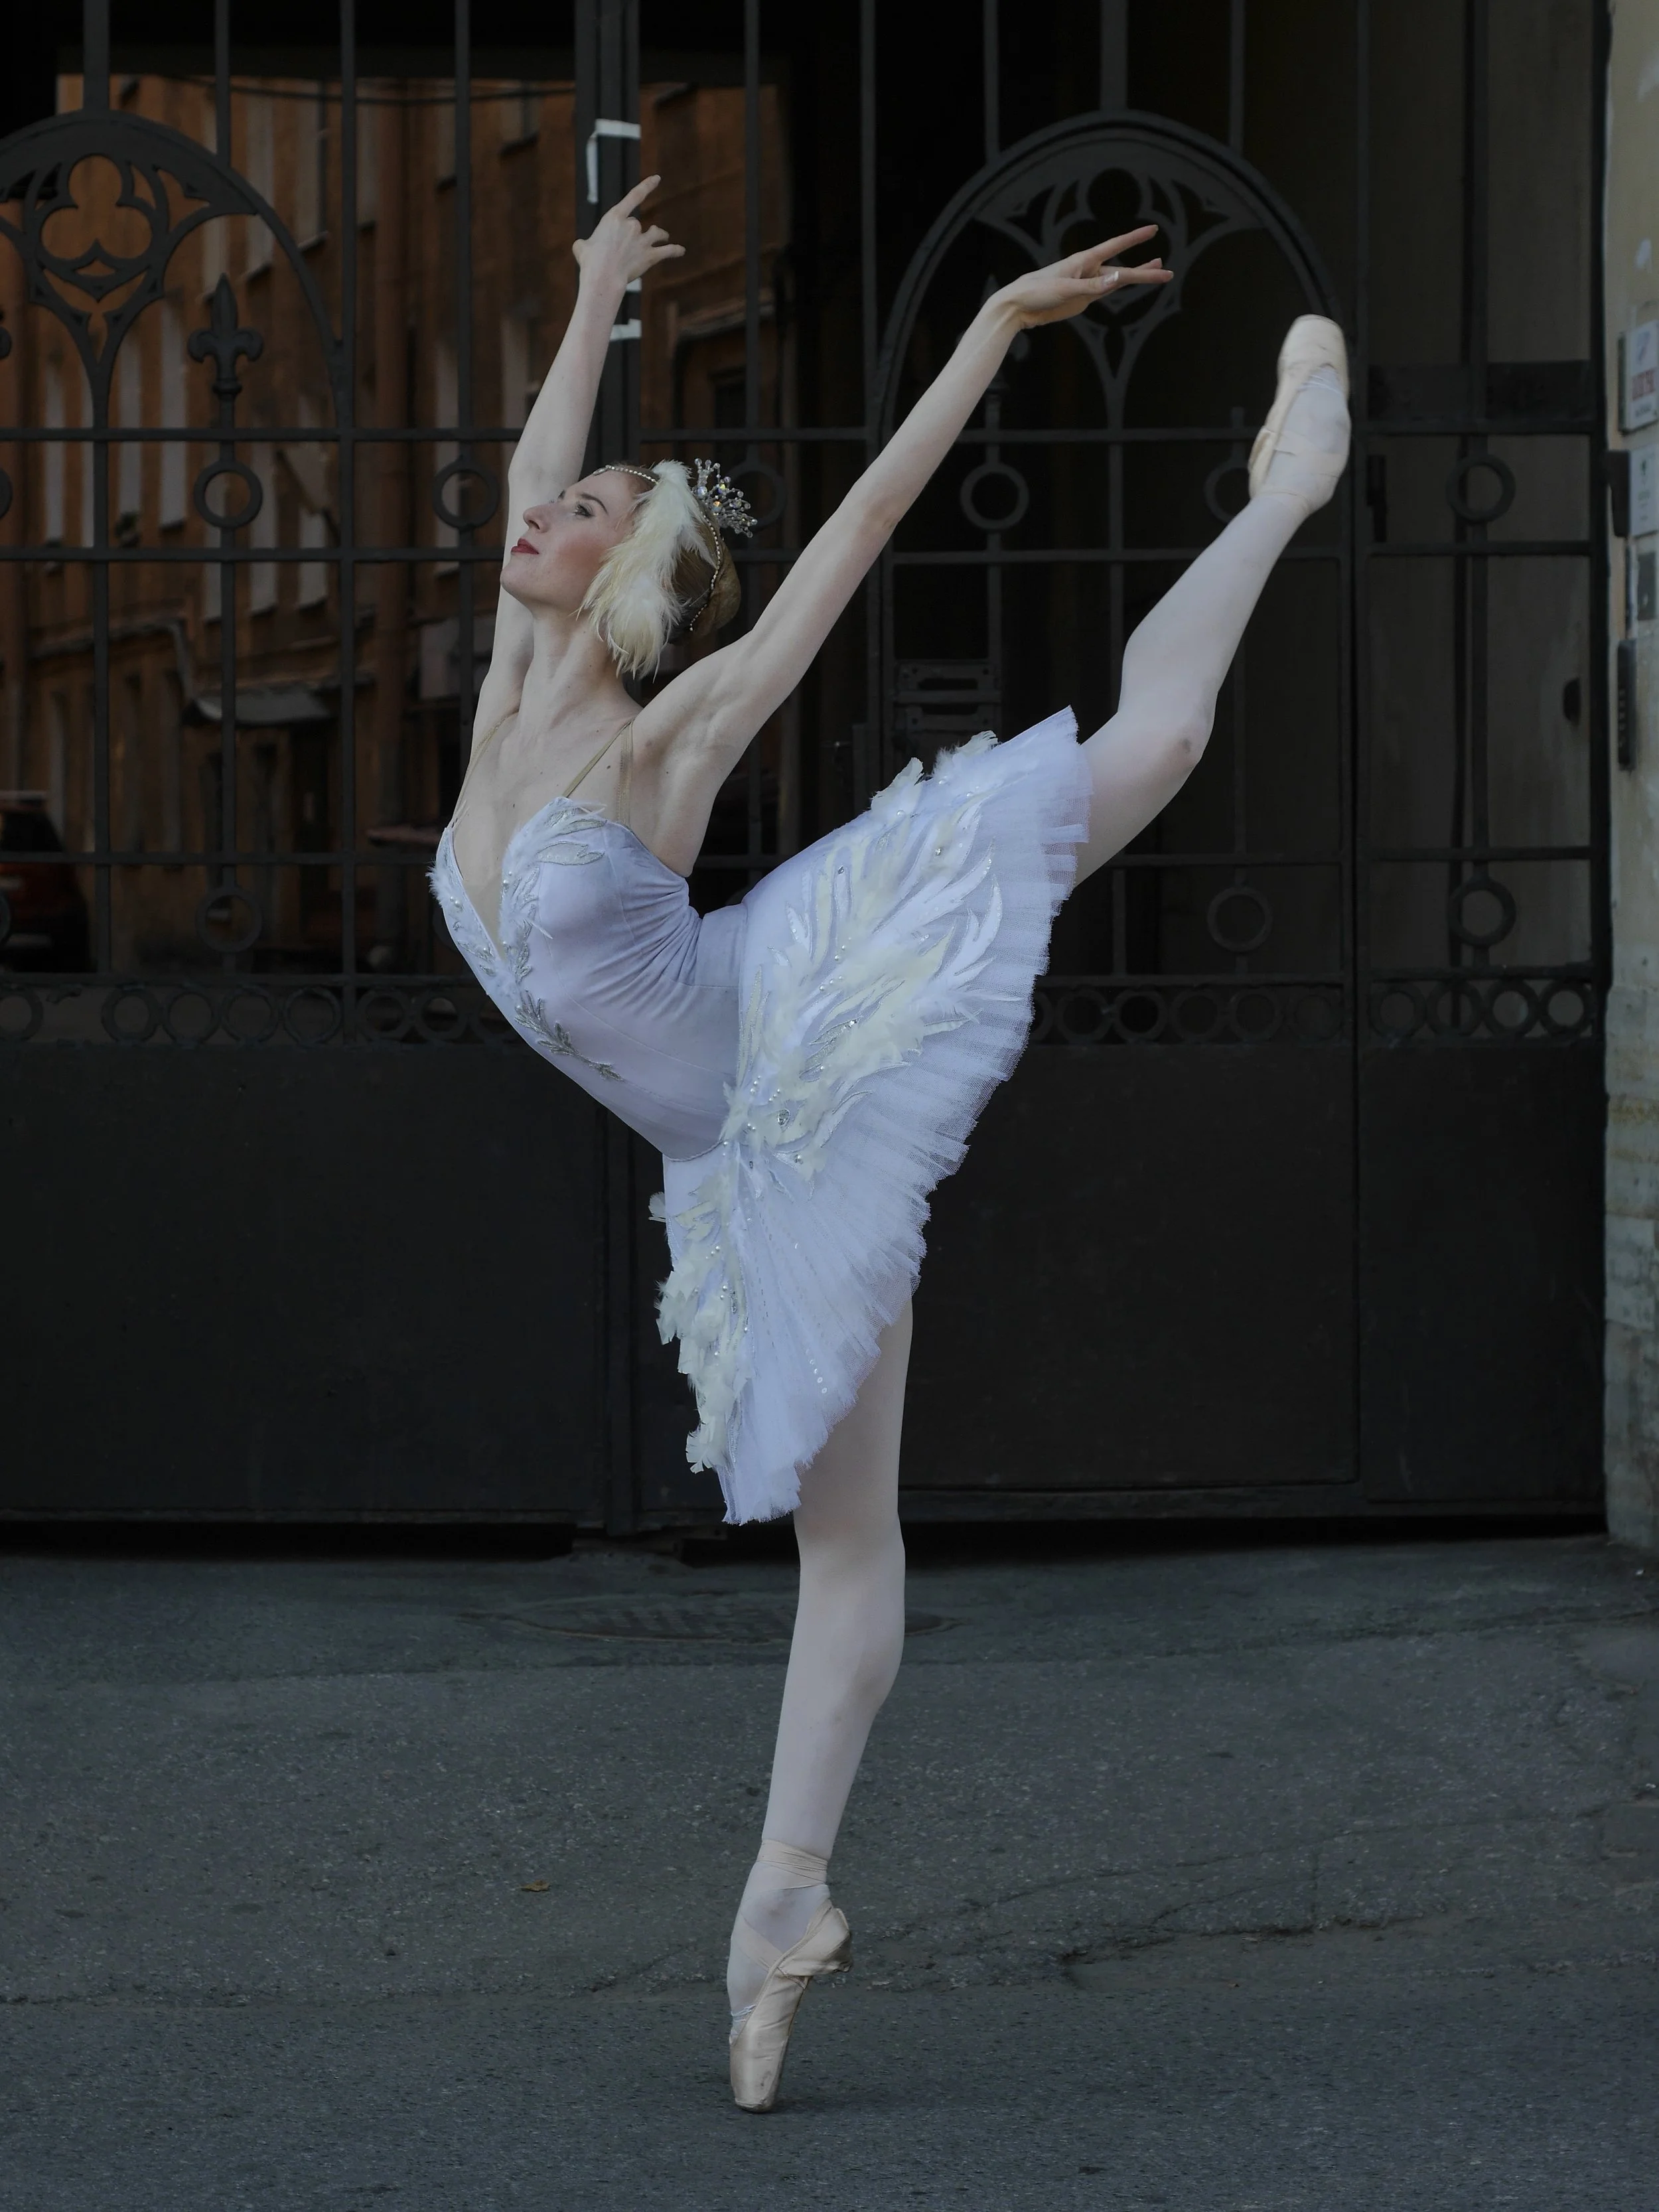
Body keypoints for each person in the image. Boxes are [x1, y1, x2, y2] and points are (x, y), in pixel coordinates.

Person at [433, 177, 1350, 2111]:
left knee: (1149, 749)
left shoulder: (658, 736)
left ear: (622, 579)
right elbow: (529, 444)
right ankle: (780, 1904)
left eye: (584, 512)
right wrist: (592, 281)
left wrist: (986, 338)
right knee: (847, 1544)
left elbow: (851, 530)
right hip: (745, 1160)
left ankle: (1283, 488)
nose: (539, 509)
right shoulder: (505, 698)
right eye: (552, 497)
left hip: (811, 1014)